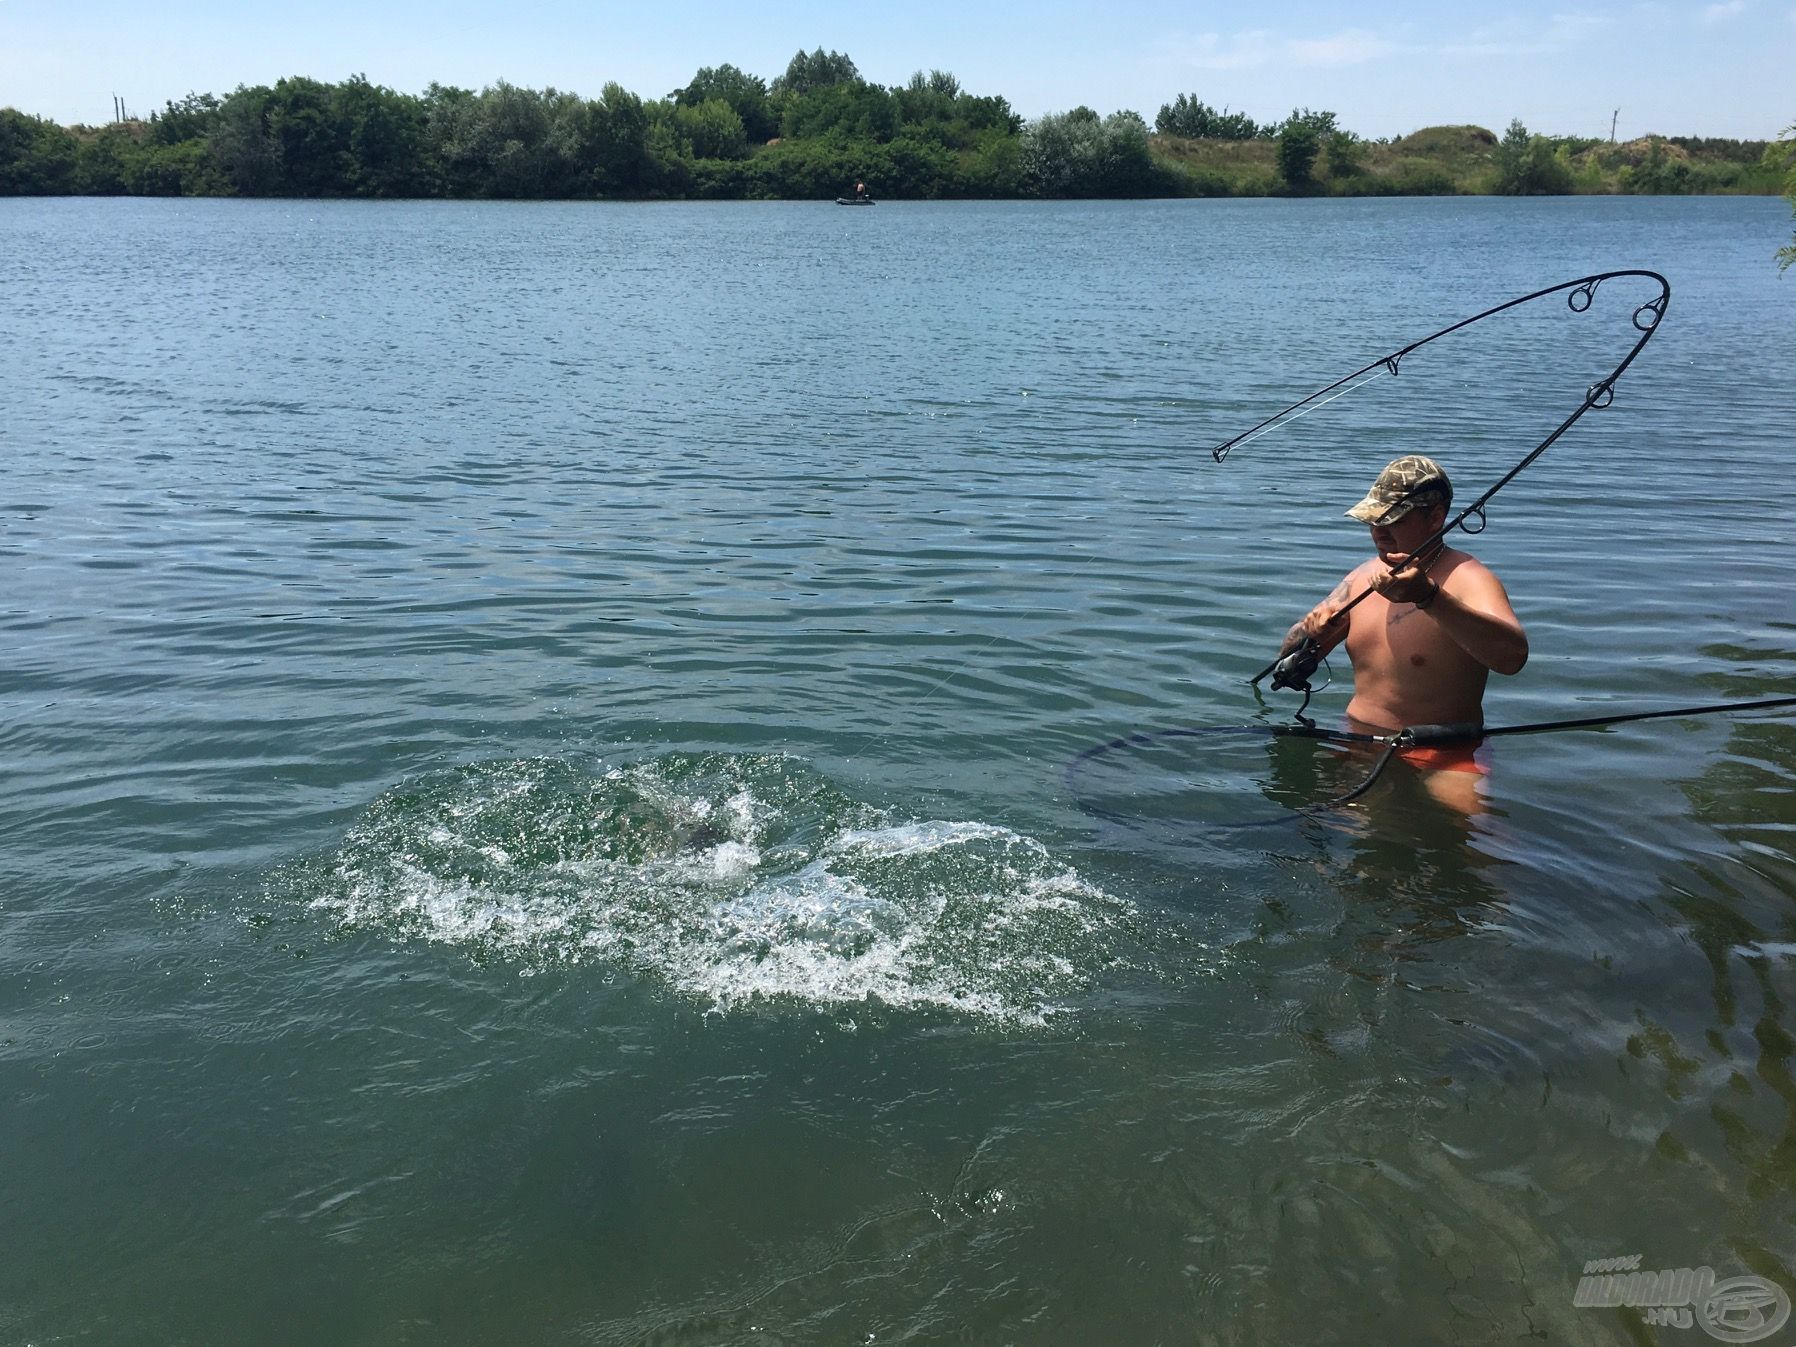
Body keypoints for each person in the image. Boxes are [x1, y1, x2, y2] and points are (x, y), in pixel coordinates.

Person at [1278, 455, 1528, 805]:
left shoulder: (1469, 578)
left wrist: (1429, 597)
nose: (1379, 531)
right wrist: (1308, 633)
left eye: (1392, 519)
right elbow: (1287, 662)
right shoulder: (1361, 577)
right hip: (1358, 740)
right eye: (1372, 520)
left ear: (1435, 517)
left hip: (1444, 752)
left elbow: (1512, 657)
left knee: (1473, 839)